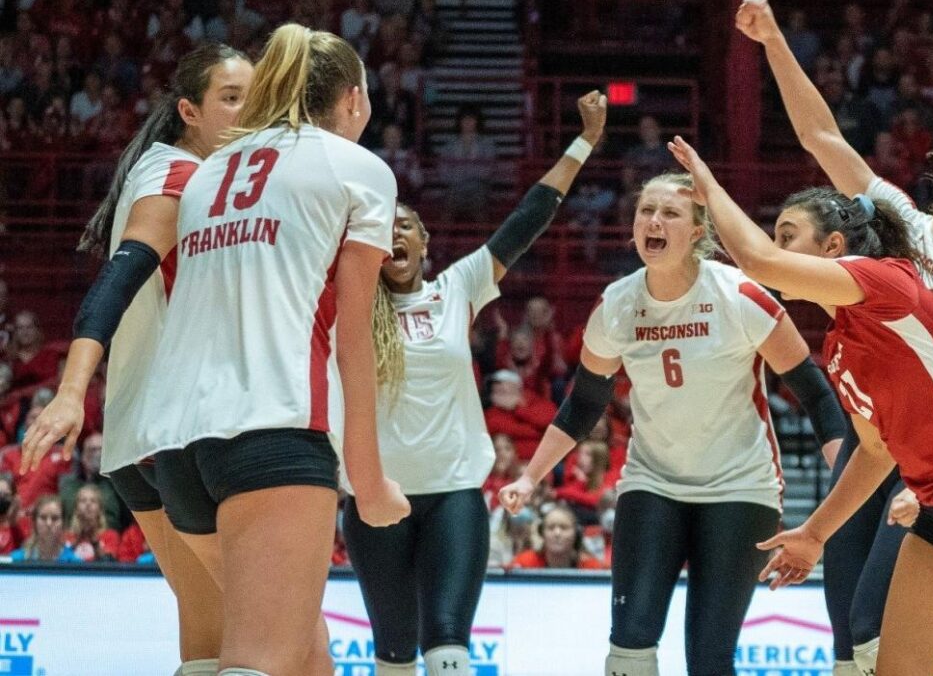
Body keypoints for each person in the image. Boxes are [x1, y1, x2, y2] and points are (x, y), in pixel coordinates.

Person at [665, 132, 933, 676]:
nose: (780, 249)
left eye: (790, 236)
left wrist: (709, 189)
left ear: (832, 249)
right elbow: (875, 452)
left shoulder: (887, 281)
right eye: (778, 236)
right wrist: (814, 534)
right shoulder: (841, 348)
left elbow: (759, 261)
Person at [734, 0, 933, 674]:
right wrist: (775, 40)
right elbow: (822, 139)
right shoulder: (899, 218)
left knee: (880, 624)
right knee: (851, 630)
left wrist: (917, 483)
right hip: (872, 440)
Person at [499, 170, 847, 676]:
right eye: (646, 211)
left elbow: (816, 396)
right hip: (652, 481)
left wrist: (847, 488)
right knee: (629, 644)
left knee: (708, 657)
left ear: (698, 231)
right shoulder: (616, 305)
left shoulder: (740, 295)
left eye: (670, 212)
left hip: (739, 488)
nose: (654, 221)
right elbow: (582, 404)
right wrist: (530, 477)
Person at [343, 90, 606, 676]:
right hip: (372, 498)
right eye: (382, 229)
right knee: (391, 652)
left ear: (424, 242)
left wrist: (584, 142)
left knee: (448, 649)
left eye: (405, 225)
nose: (395, 235)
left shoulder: (455, 289)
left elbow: (527, 220)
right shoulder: (343, 304)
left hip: (454, 494)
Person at [19, 43, 253, 676]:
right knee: (267, 631)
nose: (247, 112)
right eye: (231, 99)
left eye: (254, 100)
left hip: (137, 440)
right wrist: (70, 391)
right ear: (188, 110)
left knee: (209, 637)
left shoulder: (166, 170)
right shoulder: (179, 179)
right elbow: (115, 285)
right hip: (172, 435)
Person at [509, 504, 606, 569]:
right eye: (551, 528)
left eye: (564, 528)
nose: (557, 533)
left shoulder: (591, 567)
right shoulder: (524, 563)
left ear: (576, 533)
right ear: (542, 533)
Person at [10, 495, 78, 562]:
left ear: (63, 524)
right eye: (43, 518)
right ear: (34, 522)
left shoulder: (75, 564)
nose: (49, 523)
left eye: (55, 518)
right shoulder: (16, 560)